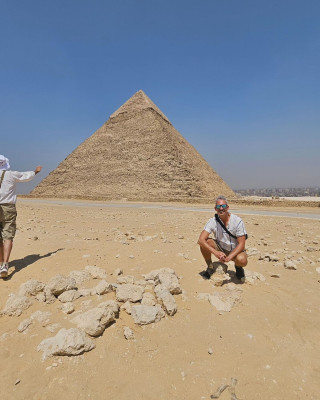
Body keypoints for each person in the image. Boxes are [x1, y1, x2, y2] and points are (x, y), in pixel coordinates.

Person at [0, 155, 42, 278]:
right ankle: (5, 265)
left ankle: (0, 263)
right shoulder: (11, 174)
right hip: (8, 208)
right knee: (8, 236)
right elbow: (27, 176)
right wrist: (36, 171)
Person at [198, 195, 248, 281]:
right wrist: (216, 252)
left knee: (242, 260)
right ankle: (210, 267)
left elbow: (242, 244)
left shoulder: (237, 221)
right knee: (205, 243)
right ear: (215, 208)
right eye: (218, 206)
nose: (221, 208)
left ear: (228, 207)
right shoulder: (212, 221)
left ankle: (238, 267)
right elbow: (201, 240)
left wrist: (229, 257)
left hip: (234, 250)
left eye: (223, 206)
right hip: (220, 248)